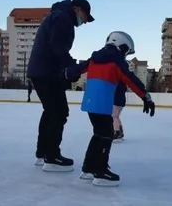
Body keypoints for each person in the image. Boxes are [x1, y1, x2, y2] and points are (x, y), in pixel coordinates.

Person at [65, 31, 155, 187]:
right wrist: (145, 96)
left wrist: (64, 75)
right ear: (122, 46)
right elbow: (130, 79)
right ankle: (100, 172)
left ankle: (88, 169)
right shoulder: (116, 61)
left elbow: (76, 69)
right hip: (103, 103)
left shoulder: (95, 58)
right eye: (126, 51)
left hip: (90, 103)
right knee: (106, 135)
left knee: (98, 134)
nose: (125, 55)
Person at [27, 0, 95, 172]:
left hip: (41, 71)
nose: (84, 22)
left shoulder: (57, 16)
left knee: (51, 111)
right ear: (78, 9)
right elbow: (57, 48)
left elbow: (56, 48)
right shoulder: (63, 18)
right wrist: (71, 67)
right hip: (47, 72)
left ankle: (42, 153)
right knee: (59, 112)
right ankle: (52, 156)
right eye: (86, 17)